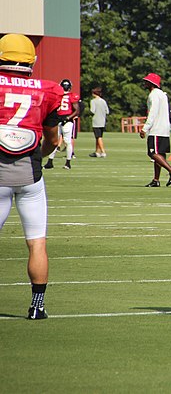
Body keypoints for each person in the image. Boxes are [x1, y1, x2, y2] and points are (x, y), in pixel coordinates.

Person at [0, 33, 62, 319]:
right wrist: (42, 152)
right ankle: (37, 307)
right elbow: (53, 140)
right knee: (37, 241)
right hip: (30, 174)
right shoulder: (47, 90)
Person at [140, 73, 171, 187]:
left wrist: (145, 128)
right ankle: (156, 180)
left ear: (152, 83)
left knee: (152, 153)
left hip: (156, 129)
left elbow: (152, 112)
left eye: (147, 81)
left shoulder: (153, 95)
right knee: (160, 155)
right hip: (164, 129)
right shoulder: (163, 94)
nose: (145, 83)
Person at [43, 78, 81, 170]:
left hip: (62, 119)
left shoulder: (57, 96)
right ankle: (66, 162)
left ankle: (52, 162)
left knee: (55, 141)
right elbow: (77, 110)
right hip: (65, 119)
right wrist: (68, 117)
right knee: (66, 142)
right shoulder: (72, 96)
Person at [88, 86, 109, 158]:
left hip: (96, 121)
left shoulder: (93, 101)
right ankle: (97, 152)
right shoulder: (103, 101)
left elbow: (92, 111)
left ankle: (103, 152)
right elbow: (107, 111)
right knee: (98, 137)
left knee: (98, 137)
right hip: (102, 121)